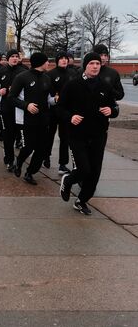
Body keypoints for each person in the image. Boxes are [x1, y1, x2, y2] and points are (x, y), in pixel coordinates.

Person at [58, 52, 119, 215]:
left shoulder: (105, 86)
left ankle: (81, 201)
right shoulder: (73, 85)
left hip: (99, 135)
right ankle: (68, 180)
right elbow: (59, 108)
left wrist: (111, 110)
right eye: (92, 63)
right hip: (77, 134)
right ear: (85, 65)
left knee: (95, 172)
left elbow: (115, 108)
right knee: (84, 169)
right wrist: (70, 117)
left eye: (98, 64)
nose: (95, 66)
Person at [8, 52, 52, 185]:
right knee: (29, 146)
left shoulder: (47, 78)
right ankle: (19, 162)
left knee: (42, 149)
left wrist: (56, 100)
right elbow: (11, 97)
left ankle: (30, 172)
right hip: (27, 119)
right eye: (47, 61)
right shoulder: (22, 77)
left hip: (43, 119)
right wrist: (26, 105)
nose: (48, 63)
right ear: (41, 62)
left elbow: (49, 98)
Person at [0, 49, 27, 171]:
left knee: (22, 136)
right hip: (6, 107)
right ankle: (9, 160)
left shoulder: (24, 72)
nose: (14, 58)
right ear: (7, 59)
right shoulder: (0, 71)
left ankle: (20, 160)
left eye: (16, 56)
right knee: (8, 135)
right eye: (12, 56)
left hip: (20, 108)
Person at [44, 51, 76, 173]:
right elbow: (48, 92)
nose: (64, 60)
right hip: (53, 109)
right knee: (49, 135)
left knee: (65, 138)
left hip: (66, 111)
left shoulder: (73, 73)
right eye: (61, 58)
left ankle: (62, 164)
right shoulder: (51, 74)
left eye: (66, 58)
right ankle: (46, 156)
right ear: (57, 60)